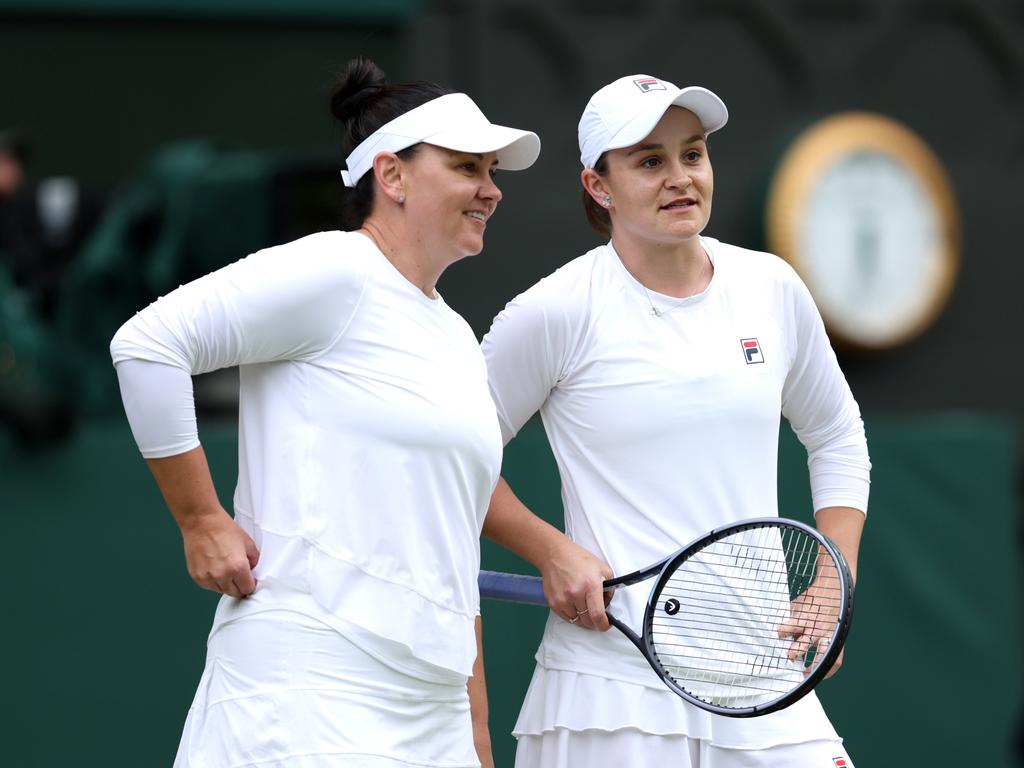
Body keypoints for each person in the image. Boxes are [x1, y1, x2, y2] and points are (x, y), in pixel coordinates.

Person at [109, 56, 539, 768]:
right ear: (392, 176)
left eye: (493, 172)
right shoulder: (334, 271)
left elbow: (451, 544)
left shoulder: (458, 337)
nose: (491, 190)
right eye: (468, 167)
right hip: (307, 686)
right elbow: (147, 346)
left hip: (431, 711)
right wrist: (201, 519)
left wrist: (476, 736)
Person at [480, 74, 869, 767]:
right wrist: (550, 550)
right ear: (599, 186)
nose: (680, 177)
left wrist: (833, 577)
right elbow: (453, 457)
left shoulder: (772, 287)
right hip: (609, 696)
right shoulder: (553, 312)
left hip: (766, 676)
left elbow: (836, 434)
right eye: (650, 161)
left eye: (692, 154)